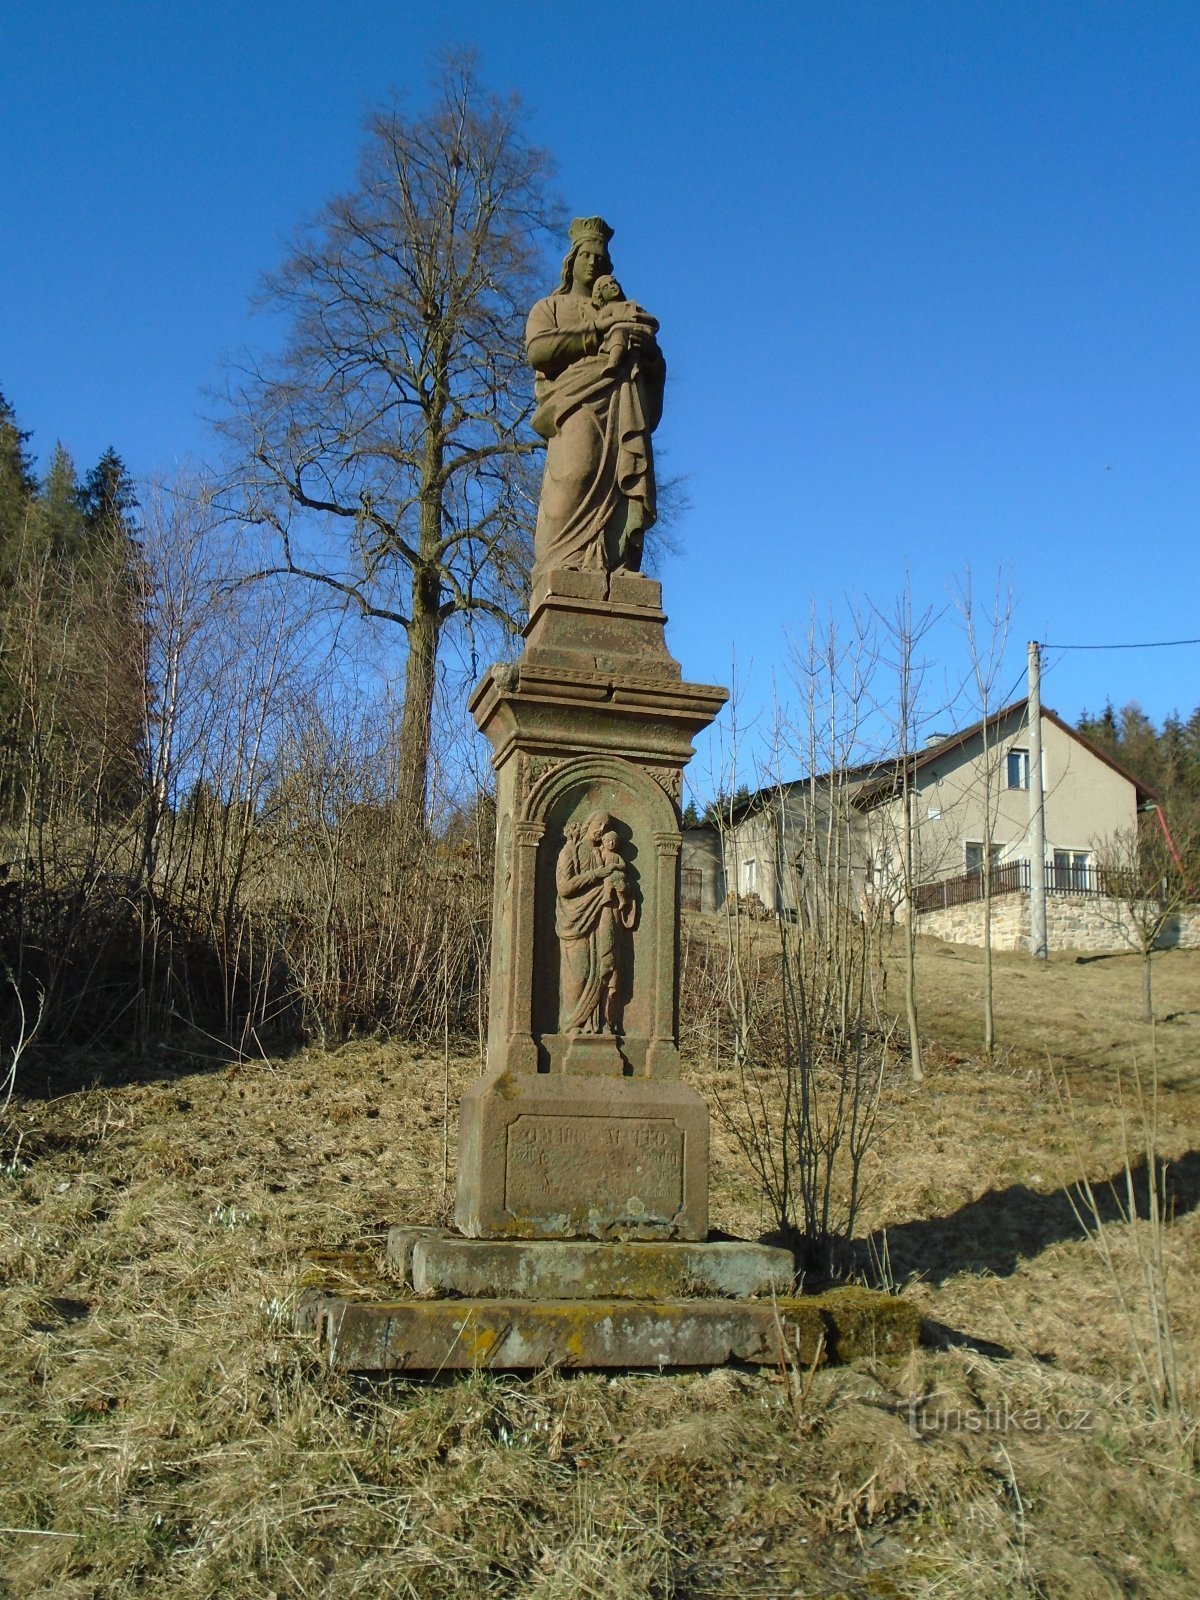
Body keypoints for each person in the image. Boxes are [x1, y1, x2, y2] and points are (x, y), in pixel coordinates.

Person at [526, 217, 665, 579]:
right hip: (576, 401)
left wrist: (649, 355)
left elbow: (651, 354)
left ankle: (618, 562)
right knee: (576, 472)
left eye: (599, 258)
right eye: (586, 255)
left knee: (624, 481)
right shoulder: (549, 308)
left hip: (623, 399)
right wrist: (595, 332)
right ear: (571, 262)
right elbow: (539, 350)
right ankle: (560, 565)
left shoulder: (621, 308)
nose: (593, 263)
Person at [554, 811, 638, 1035]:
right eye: (598, 823)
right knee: (580, 974)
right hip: (576, 920)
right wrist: (596, 874)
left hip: (601, 917)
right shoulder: (570, 850)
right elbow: (564, 888)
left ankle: (597, 1025)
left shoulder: (604, 854)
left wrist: (622, 890)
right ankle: (572, 1023)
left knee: (602, 968)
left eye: (605, 825)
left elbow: (619, 881)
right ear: (587, 823)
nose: (601, 828)